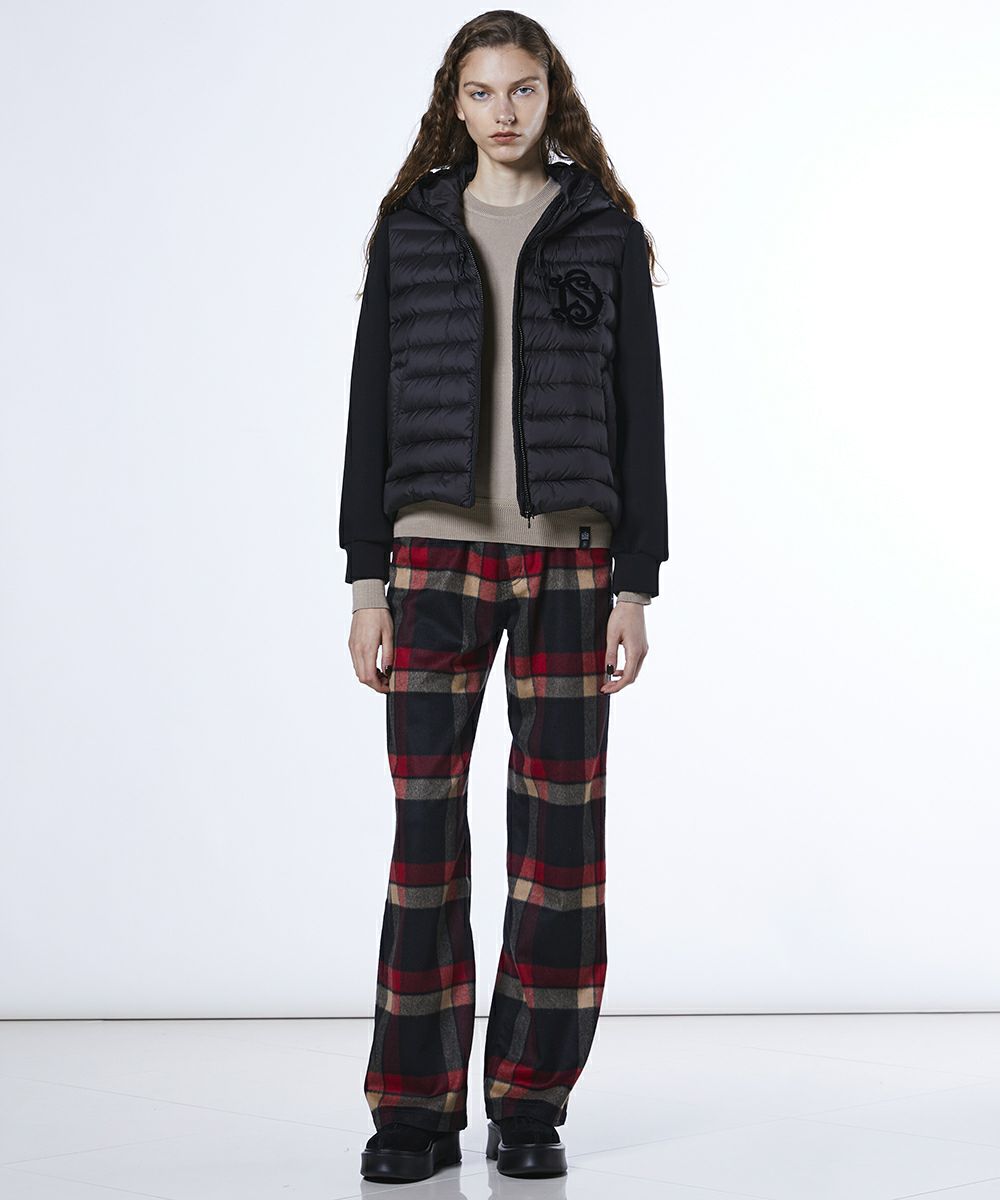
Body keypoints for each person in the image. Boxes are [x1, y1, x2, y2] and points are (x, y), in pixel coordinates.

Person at [339, 10, 668, 1184]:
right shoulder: (411, 230)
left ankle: (529, 1105)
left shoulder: (603, 232)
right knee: (425, 835)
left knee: (559, 843)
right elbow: (369, 406)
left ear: (550, 95)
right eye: (480, 93)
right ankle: (414, 1112)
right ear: (454, 104)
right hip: (430, 562)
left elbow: (640, 413)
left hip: (570, 564)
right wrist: (365, 579)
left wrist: (636, 581)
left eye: (521, 89)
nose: (502, 112)